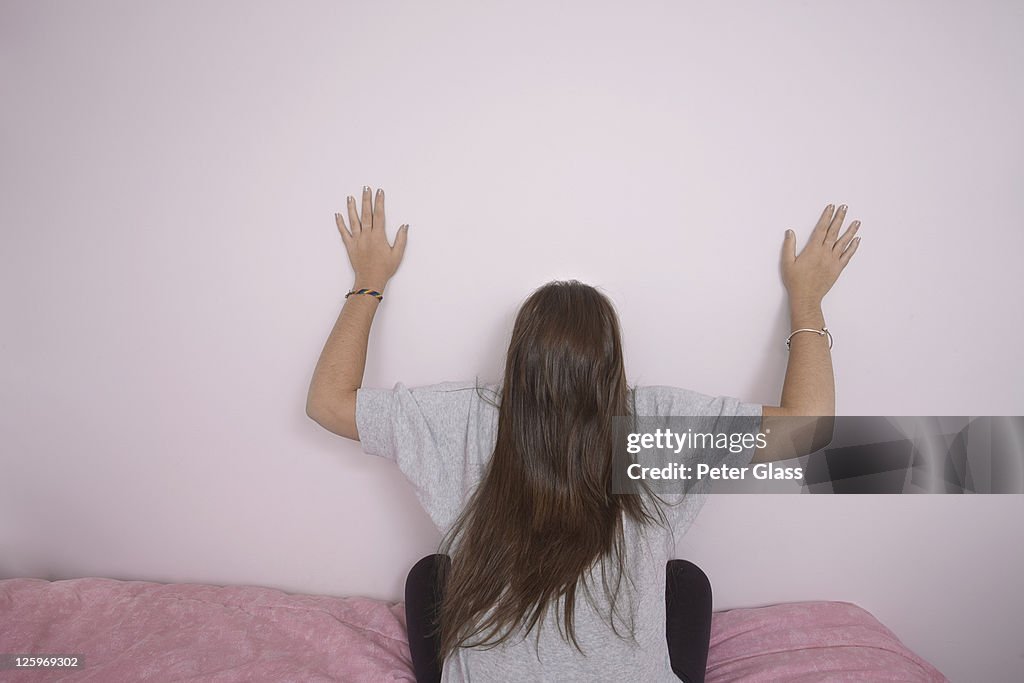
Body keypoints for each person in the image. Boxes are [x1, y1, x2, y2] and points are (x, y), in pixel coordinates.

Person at [306, 186, 861, 682]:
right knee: (685, 584)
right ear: (614, 365)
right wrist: (808, 297)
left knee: (432, 577)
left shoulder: (459, 419)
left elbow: (328, 404)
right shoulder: (653, 432)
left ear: (518, 358)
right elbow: (807, 428)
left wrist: (368, 283)